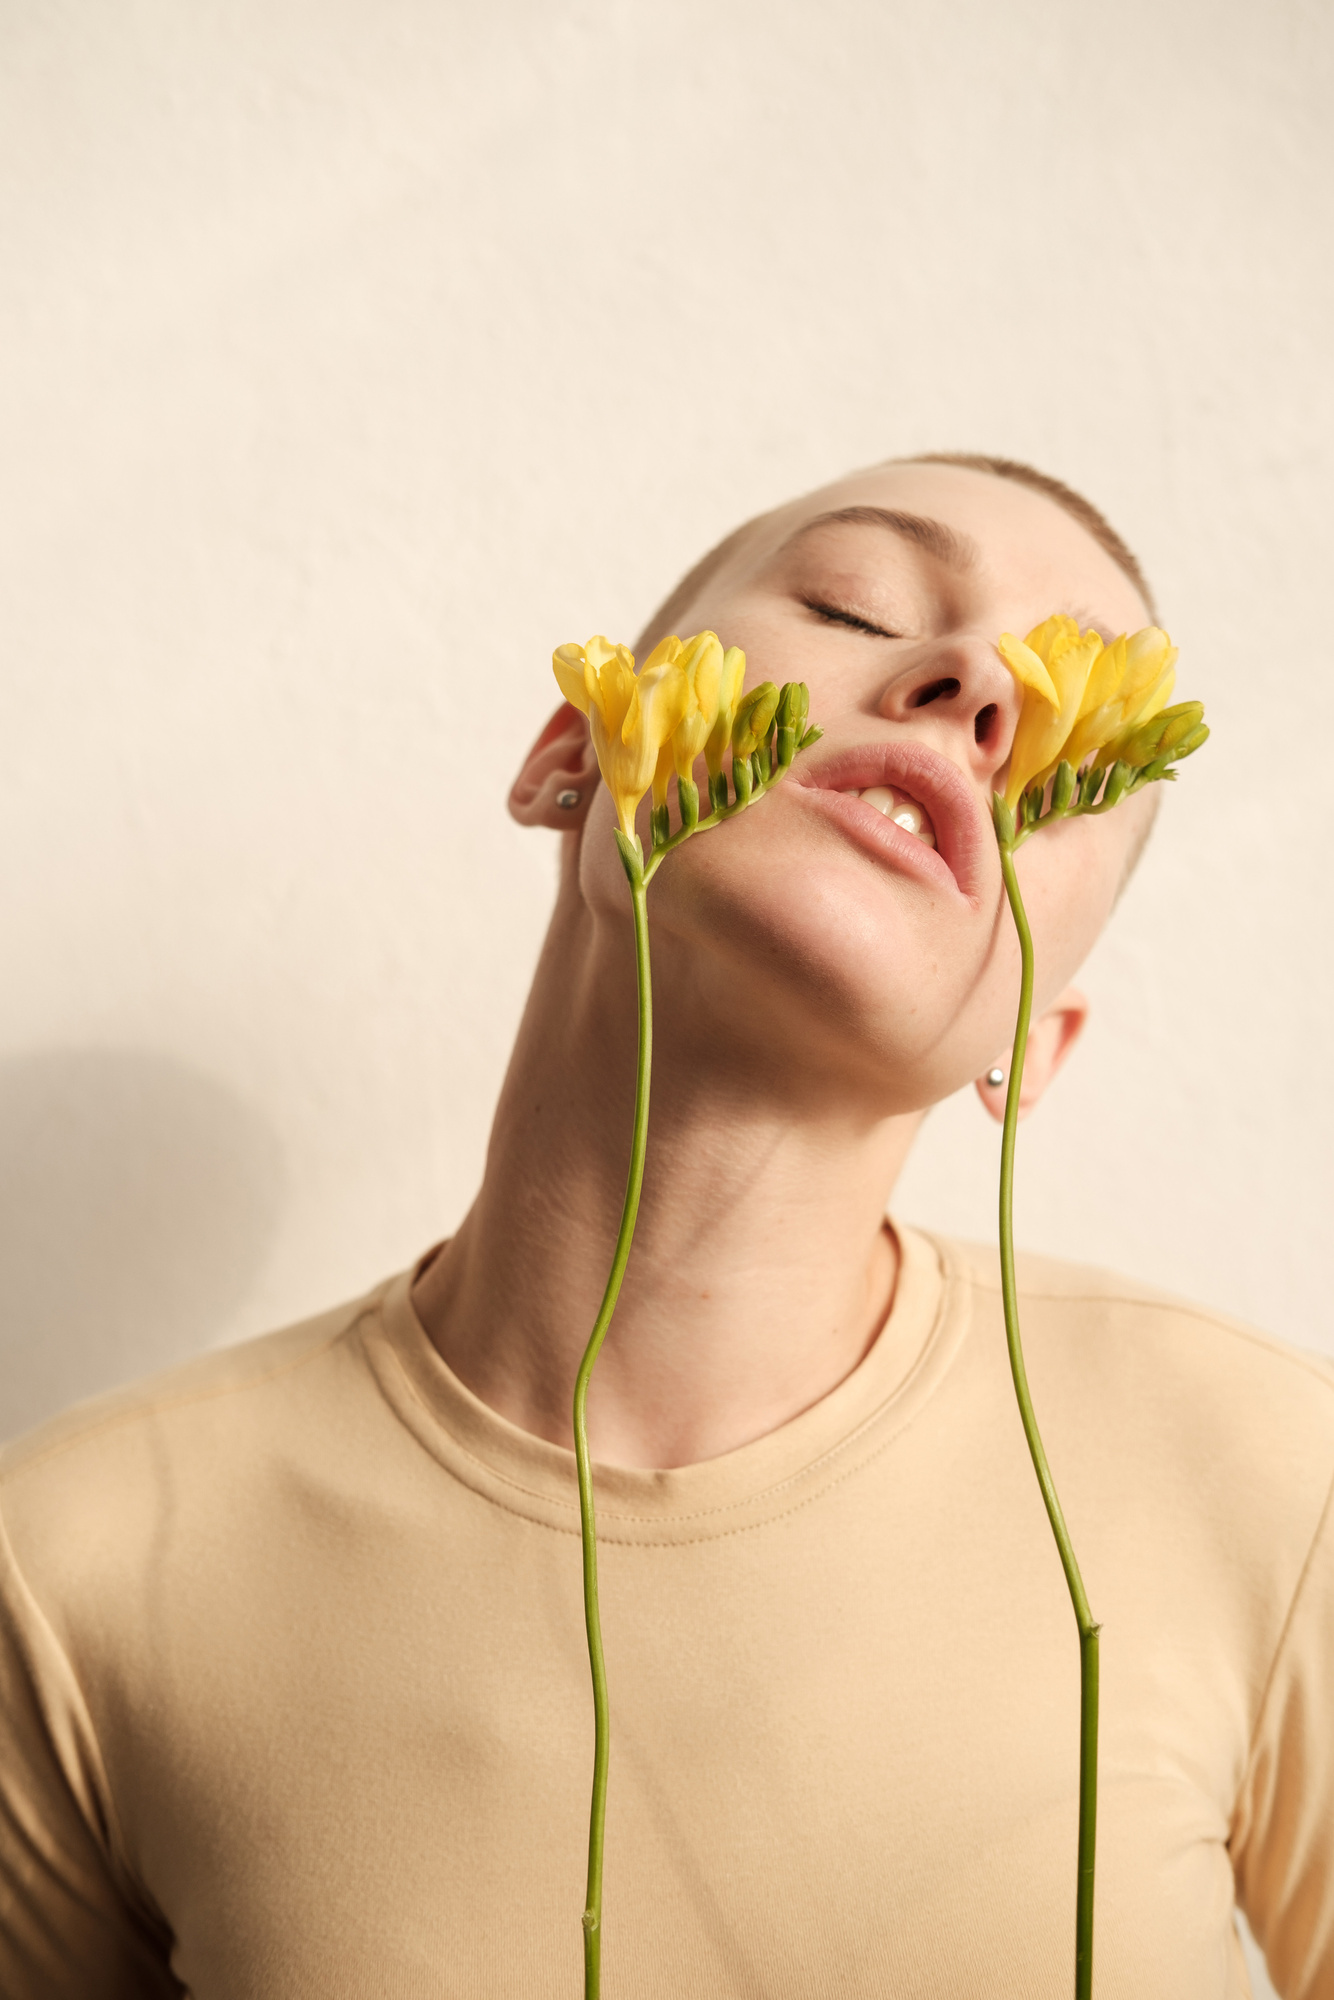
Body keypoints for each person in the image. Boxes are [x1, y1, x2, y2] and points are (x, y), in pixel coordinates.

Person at [0, 454, 1329, 1999]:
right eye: (855, 603)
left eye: (1065, 739)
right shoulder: (77, 1563)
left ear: (1029, 1047)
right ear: (572, 755)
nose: (975, 686)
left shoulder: (1263, 1479)